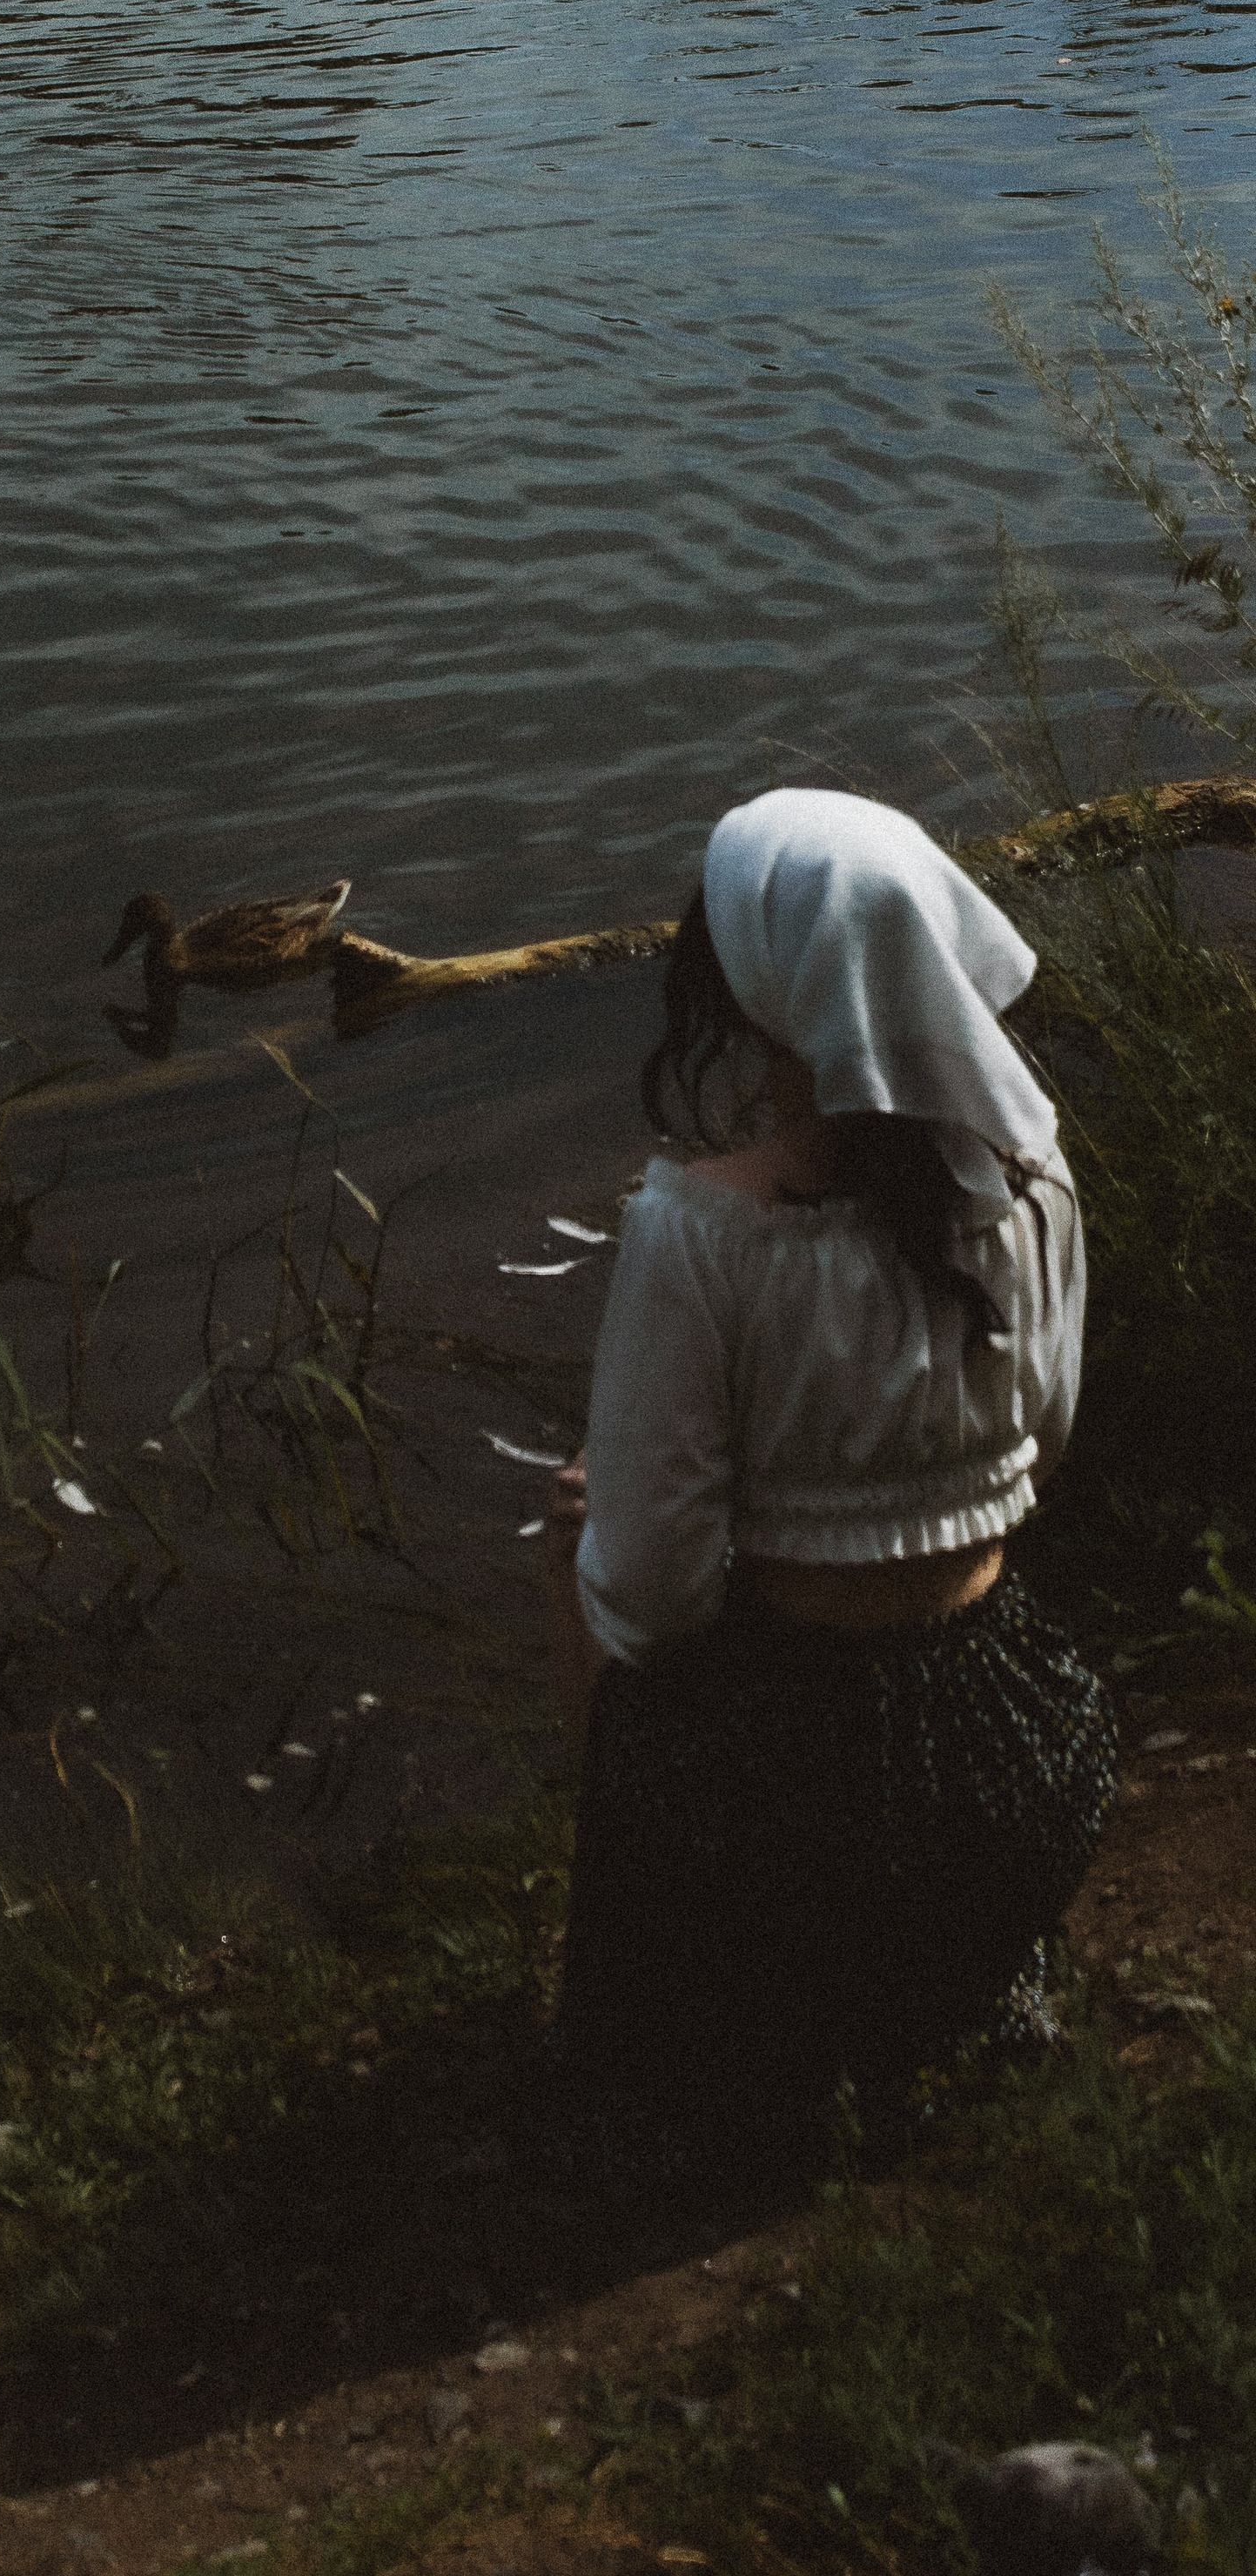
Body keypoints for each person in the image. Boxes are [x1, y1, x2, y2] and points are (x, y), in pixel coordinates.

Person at [537, 787, 1117, 2196]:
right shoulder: (1035, 1186)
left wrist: (605, 1520)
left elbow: (658, 1601)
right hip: (1020, 1753)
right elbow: (1037, 1447)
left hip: (794, 1808)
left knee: (590, 1556)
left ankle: (673, 2015)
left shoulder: (699, 1230)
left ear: (756, 996)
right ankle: (936, 1988)